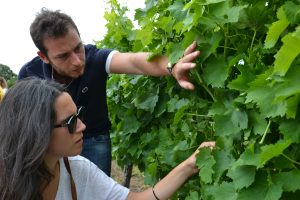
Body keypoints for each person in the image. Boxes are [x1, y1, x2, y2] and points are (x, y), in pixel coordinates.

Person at [18, 8, 201, 176]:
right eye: (63, 56)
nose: (77, 61)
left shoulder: (94, 58)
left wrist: (171, 66)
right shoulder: (29, 75)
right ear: (43, 57)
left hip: (94, 139)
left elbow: (133, 61)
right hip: (54, 144)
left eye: (78, 48)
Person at [0, 78, 215, 200]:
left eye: (79, 115)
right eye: (71, 122)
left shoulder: (77, 170)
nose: (83, 126)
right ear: (37, 132)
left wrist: (188, 166)